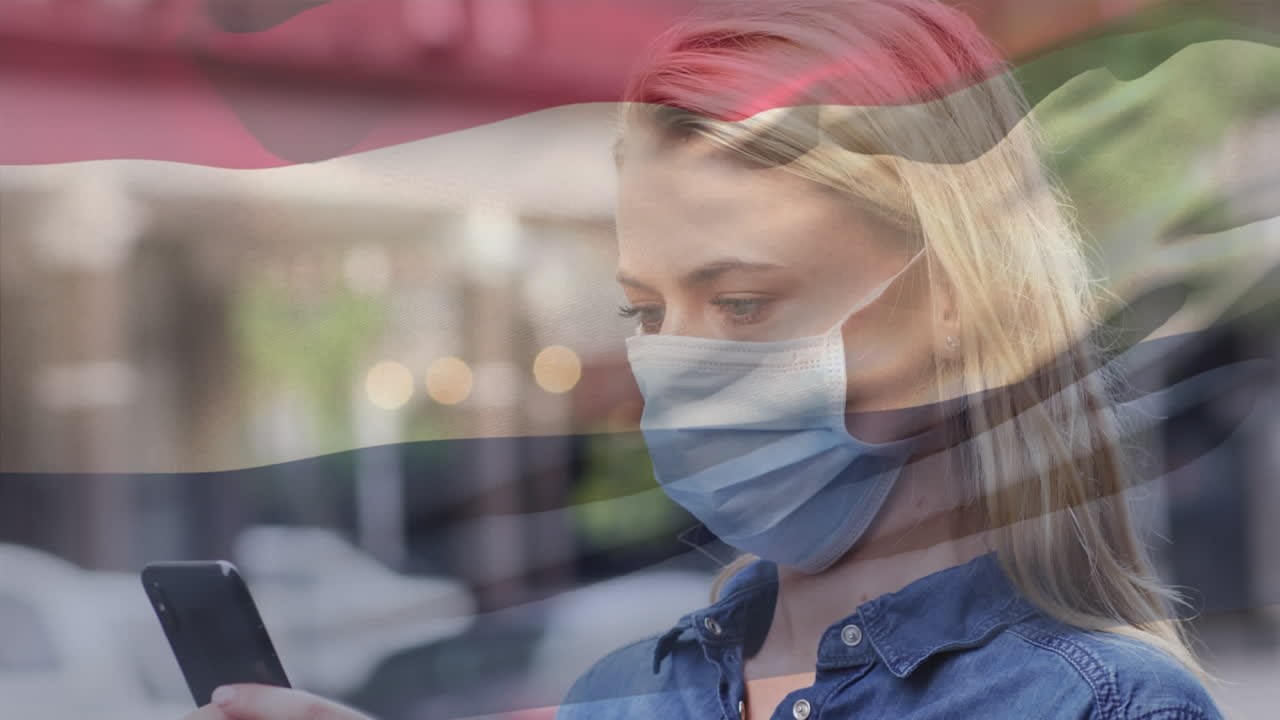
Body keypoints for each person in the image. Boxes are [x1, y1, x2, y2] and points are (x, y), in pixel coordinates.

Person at [184, 1, 1224, 718]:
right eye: (644, 309)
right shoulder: (618, 695)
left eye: (740, 301)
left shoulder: (1096, 704)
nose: (680, 361)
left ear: (948, 305)